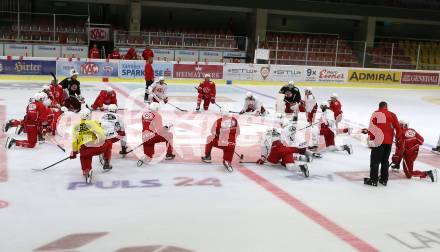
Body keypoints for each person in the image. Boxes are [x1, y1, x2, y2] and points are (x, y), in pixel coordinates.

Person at [69, 108, 113, 184]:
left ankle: (86, 170)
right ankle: (106, 162)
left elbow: (74, 141)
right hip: (96, 147)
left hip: (84, 148)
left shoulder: (75, 126)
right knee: (108, 142)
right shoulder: (92, 123)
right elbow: (102, 135)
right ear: (88, 115)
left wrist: (74, 151)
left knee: (84, 157)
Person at [364, 101, 401, 187]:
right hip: (389, 142)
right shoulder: (392, 114)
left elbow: (371, 128)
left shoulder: (376, 114)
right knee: (385, 161)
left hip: (378, 141)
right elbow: (398, 128)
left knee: (375, 161)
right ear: (386, 106)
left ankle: (373, 180)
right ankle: (384, 180)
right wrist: (398, 138)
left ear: (379, 107)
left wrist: (370, 141)